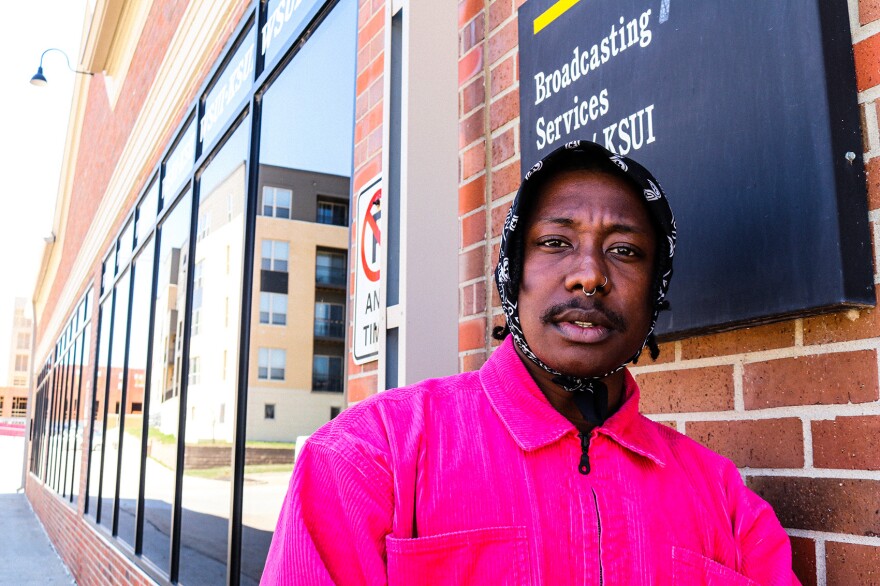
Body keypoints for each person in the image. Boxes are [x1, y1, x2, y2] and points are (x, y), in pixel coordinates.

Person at [261, 141, 799, 585]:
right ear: (512, 273)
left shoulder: (724, 501)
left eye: (625, 250)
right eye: (556, 242)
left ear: (656, 290)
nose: (589, 275)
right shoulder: (371, 456)